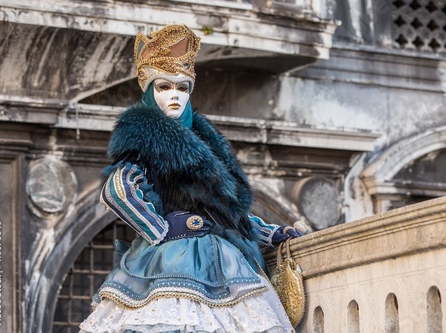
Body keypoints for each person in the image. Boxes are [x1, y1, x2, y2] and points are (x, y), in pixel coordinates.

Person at [79, 24, 304, 333]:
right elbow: (116, 190)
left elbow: (226, 211)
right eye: (164, 87)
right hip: (170, 262)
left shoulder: (206, 142)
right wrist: (161, 229)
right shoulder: (146, 138)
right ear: (148, 90)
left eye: (182, 88)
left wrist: (269, 233)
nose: (175, 95)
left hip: (224, 259)